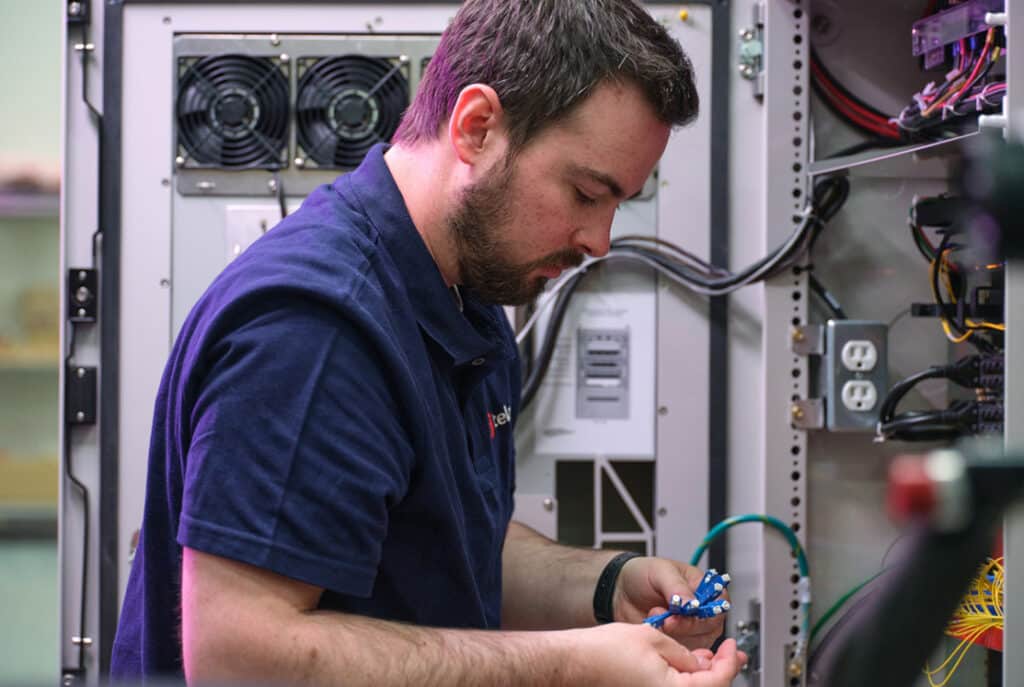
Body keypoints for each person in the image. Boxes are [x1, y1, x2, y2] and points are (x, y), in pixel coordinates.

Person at [110, 1, 747, 684]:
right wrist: (574, 666)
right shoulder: (320, 330)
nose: (599, 241)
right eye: (587, 193)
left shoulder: (462, 295)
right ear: (477, 128)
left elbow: (446, 544)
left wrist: (606, 585)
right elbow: (240, 656)